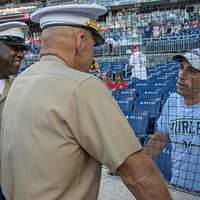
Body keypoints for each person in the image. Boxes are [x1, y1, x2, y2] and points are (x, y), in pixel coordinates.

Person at [0, 4, 171, 200]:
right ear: (80, 41)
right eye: (92, 46)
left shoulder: (20, 81)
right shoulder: (82, 85)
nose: (92, 56)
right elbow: (138, 175)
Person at [145, 51, 200, 192]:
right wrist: (138, 167)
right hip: (177, 188)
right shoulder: (173, 101)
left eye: (192, 71)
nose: (182, 76)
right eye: (181, 67)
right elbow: (159, 138)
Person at [0, 21, 29, 200]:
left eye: (22, 49)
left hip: (11, 178)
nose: (20, 54)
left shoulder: (25, 88)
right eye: (14, 47)